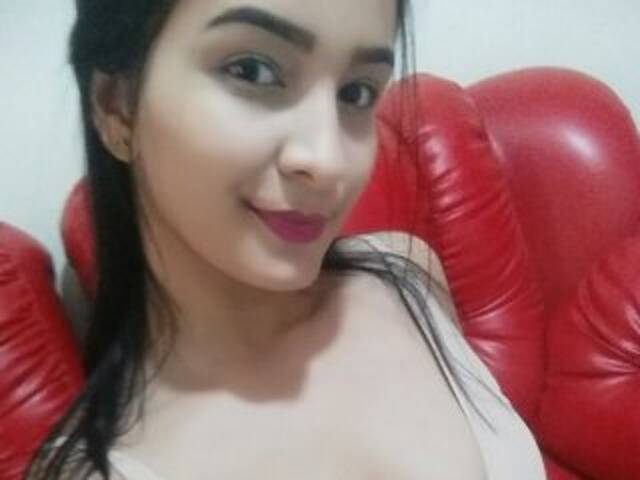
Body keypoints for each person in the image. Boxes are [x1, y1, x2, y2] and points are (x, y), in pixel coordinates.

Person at [26, 0, 546, 478]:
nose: (328, 161)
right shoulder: (100, 468)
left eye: (357, 93)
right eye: (253, 70)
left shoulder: (406, 275)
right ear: (117, 106)